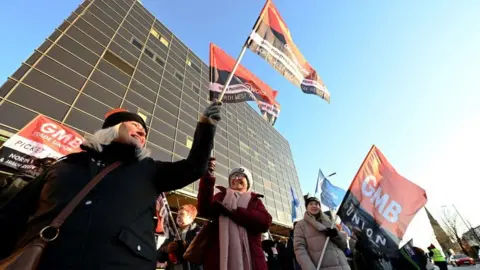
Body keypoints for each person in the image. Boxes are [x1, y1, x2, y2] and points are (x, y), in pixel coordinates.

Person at [0, 101, 221, 270]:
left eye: (144, 132)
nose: (142, 132)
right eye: (135, 125)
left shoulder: (149, 169)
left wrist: (206, 127)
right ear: (112, 128)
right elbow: (13, 215)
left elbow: (194, 167)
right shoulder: (66, 164)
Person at [197, 157, 272, 270]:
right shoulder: (221, 196)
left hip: (251, 260)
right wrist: (207, 177)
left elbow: (265, 222)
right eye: (233, 176)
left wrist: (234, 213)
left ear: (248, 183)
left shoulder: (255, 200)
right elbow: (204, 209)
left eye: (240, 176)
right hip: (219, 257)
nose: (236, 178)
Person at [294, 194, 350, 270]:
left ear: (319, 207)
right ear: (306, 207)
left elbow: (343, 245)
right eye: (311, 204)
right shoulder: (301, 225)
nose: (314, 206)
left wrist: (336, 236)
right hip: (321, 266)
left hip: (342, 266)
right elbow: (299, 249)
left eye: (316, 204)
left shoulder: (330, 222)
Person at [158, 204, 202, 270]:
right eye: (178, 214)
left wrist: (184, 245)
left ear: (190, 217)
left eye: (182, 214)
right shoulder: (172, 233)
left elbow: (200, 250)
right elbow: (159, 255)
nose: (178, 216)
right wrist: (166, 249)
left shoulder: (198, 232)